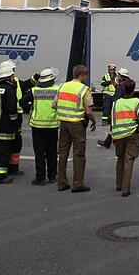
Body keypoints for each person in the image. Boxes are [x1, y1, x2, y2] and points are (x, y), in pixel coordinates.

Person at [56, 64, 96, 192]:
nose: (86, 78)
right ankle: (78, 184)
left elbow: (54, 104)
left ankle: (61, 183)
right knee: (78, 154)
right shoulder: (84, 89)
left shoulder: (62, 86)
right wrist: (94, 121)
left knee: (62, 154)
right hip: (77, 125)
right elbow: (88, 111)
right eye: (86, 75)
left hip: (63, 123)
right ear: (82, 75)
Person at [21, 67, 60, 185]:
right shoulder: (58, 90)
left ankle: (40, 177)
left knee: (39, 152)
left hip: (37, 125)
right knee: (52, 152)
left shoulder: (34, 91)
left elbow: (21, 102)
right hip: (52, 125)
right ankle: (52, 176)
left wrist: (31, 109)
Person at [112, 78, 139, 197]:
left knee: (120, 159)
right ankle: (125, 189)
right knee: (129, 160)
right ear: (133, 90)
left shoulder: (116, 103)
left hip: (118, 134)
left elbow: (112, 120)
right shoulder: (138, 102)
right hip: (132, 134)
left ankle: (118, 184)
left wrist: (113, 134)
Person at [0, 60, 22, 184]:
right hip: (4, 127)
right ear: (8, 76)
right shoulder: (9, 90)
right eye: (12, 75)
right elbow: (12, 110)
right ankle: (0, 176)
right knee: (3, 152)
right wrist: (16, 124)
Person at [98, 67, 129, 149]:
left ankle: (109, 142)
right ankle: (110, 141)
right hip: (127, 107)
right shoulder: (128, 83)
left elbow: (117, 97)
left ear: (121, 75)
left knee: (114, 125)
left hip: (120, 107)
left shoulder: (121, 85)